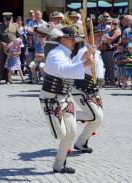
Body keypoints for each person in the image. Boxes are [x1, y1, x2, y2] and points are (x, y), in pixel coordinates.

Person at [39, 26, 94, 174]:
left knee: (71, 133)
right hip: (51, 100)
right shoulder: (56, 54)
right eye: (72, 40)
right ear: (63, 39)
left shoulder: (65, 53)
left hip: (65, 97)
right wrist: (84, 64)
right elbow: (64, 71)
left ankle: (59, 165)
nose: (74, 42)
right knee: (61, 134)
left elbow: (71, 67)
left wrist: (85, 58)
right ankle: (60, 121)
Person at [71, 27, 104, 154]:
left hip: (93, 90)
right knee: (95, 116)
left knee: (98, 119)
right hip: (81, 89)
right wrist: (86, 56)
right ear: (89, 37)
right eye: (97, 35)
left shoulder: (98, 52)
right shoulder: (84, 50)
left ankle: (81, 143)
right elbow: (77, 63)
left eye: (101, 35)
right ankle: (67, 115)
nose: (99, 37)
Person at [0, 12, 19, 84]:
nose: (8, 21)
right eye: (6, 19)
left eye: (9, 19)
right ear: (4, 18)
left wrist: (16, 43)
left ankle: (8, 79)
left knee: (10, 63)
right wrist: (2, 43)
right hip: (2, 47)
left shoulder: (15, 25)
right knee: (1, 62)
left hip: (12, 47)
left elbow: (19, 35)